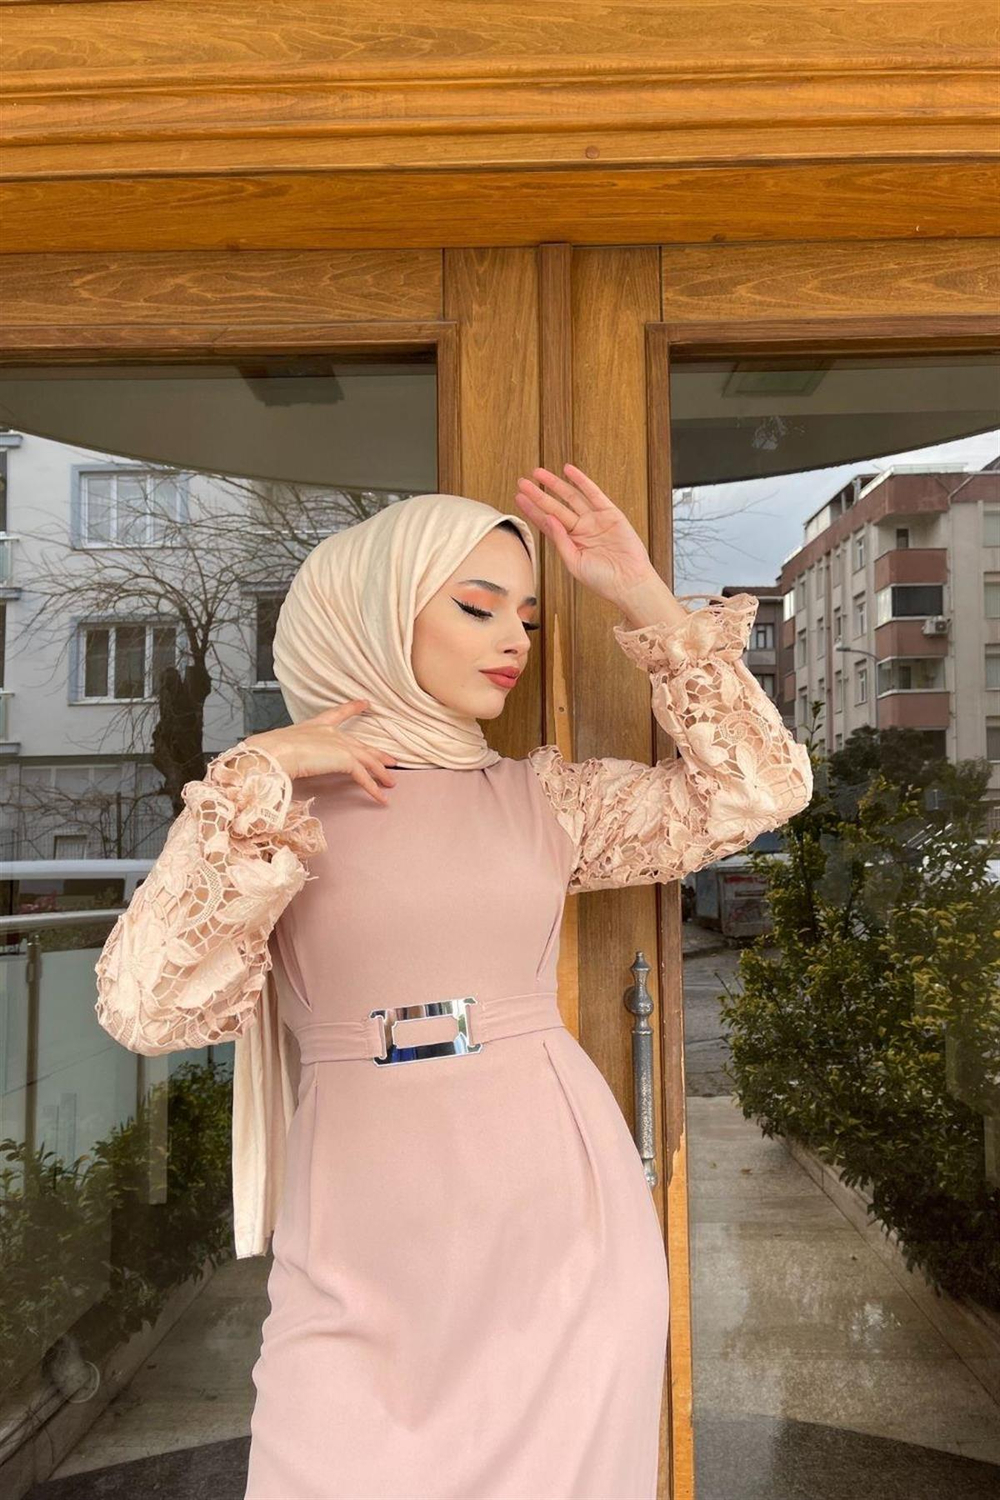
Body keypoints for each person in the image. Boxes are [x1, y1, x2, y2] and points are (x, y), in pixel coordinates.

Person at [94, 464, 813, 1499]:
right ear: (373, 617)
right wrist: (252, 780)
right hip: (358, 1248)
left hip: (558, 1227)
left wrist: (641, 595)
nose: (514, 638)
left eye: (526, 615)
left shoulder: (546, 800)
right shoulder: (264, 811)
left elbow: (759, 791)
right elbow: (149, 1010)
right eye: (478, 608)